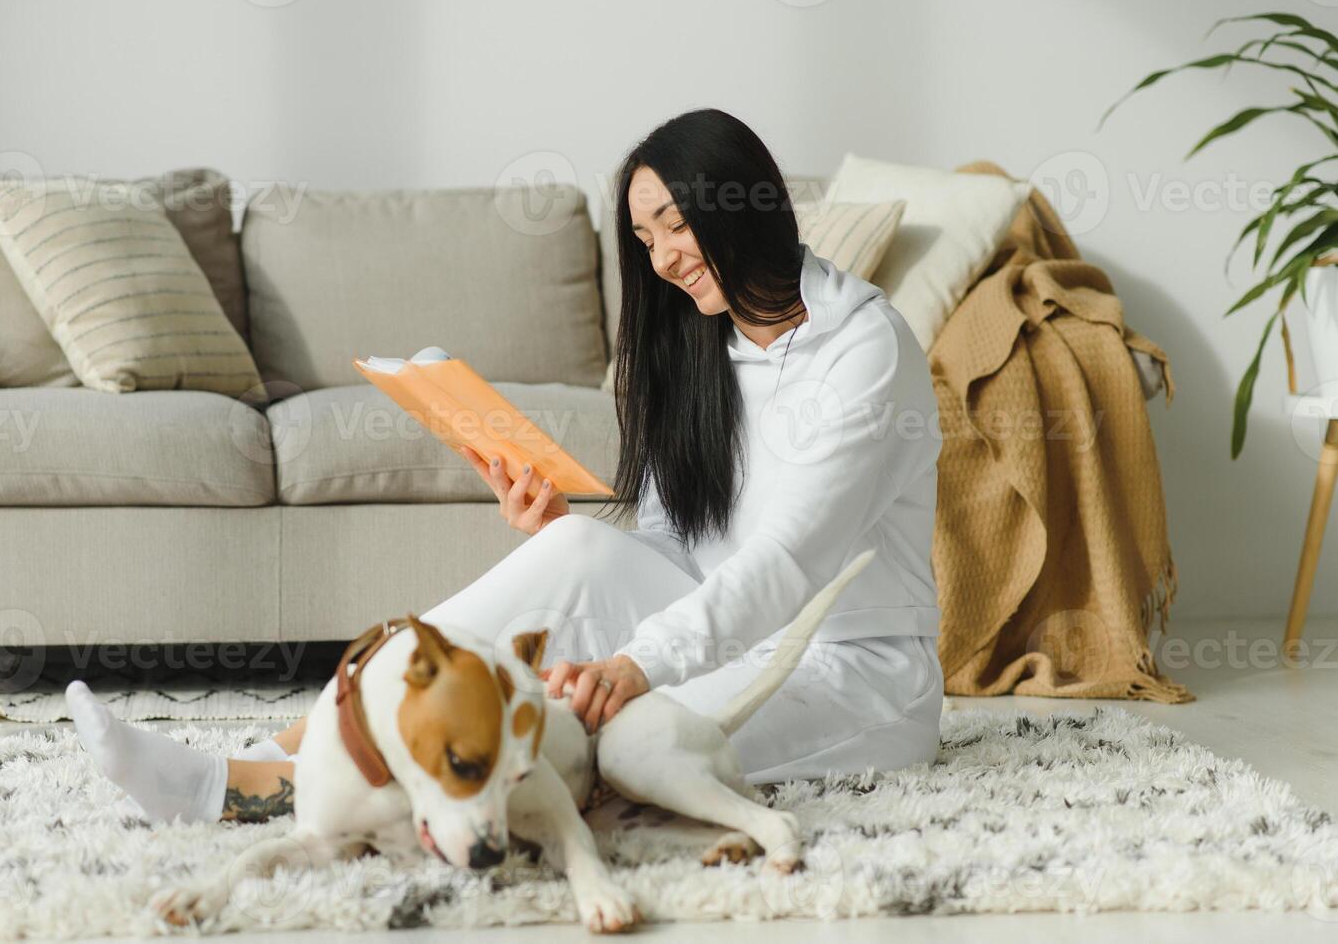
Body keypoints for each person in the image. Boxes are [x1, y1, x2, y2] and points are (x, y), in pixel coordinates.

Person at [65, 108, 945, 825]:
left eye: (676, 224)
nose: (665, 258)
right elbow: (687, 546)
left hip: (842, 673)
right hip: (729, 632)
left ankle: (285, 790)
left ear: (741, 208)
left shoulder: (864, 349)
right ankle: (262, 764)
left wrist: (636, 663)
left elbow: (786, 562)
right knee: (575, 557)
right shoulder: (705, 345)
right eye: (644, 239)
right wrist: (566, 536)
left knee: (602, 734)